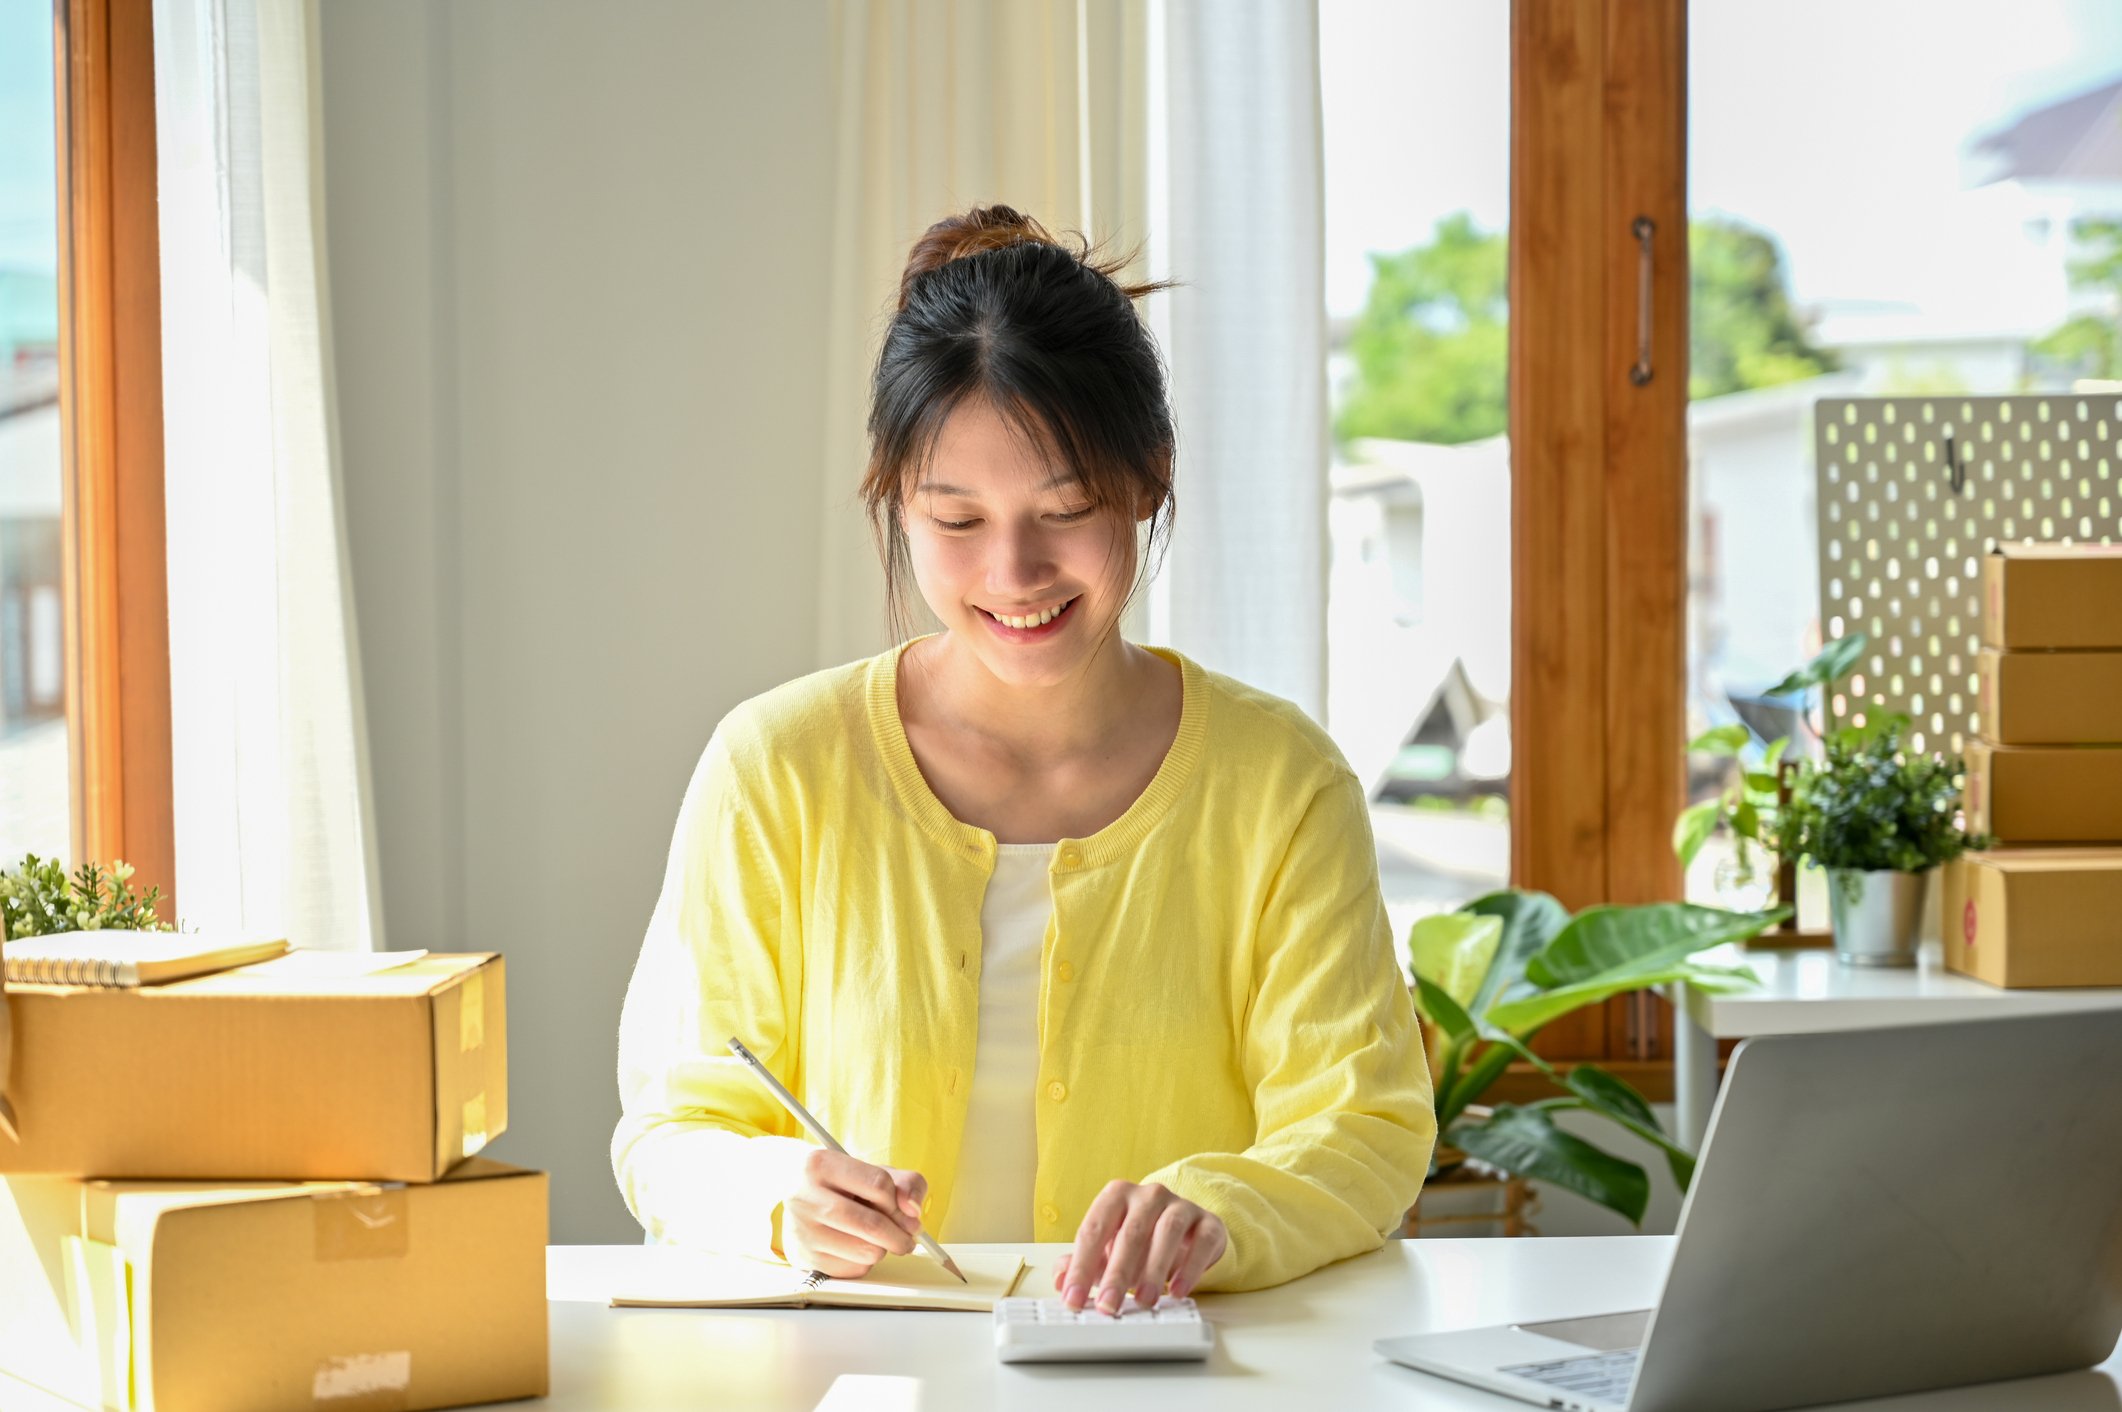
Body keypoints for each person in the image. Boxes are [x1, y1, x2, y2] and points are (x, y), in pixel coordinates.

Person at [612, 205, 1434, 1311]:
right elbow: (671, 1126)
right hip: (863, 1370)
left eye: (1066, 508)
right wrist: (772, 1190)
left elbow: (1364, 1124)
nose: (1014, 570)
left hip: (1171, 1384)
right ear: (896, 499)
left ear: (1147, 479)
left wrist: (1221, 1209)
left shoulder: (1279, 782)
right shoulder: (778, 767)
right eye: (957, 519)